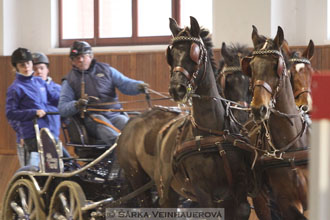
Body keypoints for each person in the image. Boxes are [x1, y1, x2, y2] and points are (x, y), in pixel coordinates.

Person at [58, 41, 149, 147]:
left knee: (132, 129)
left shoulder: (107, 70)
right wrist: (76, 104)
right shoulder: (69, 80)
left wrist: (139, 86)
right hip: (93, 118)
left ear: (91, 56)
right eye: (76, 58)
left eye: (83, 56)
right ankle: (119, 159)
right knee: (112, 135)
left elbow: (125, 84)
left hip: (115, 114)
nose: (80, 60)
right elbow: (62, 108)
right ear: (72, 61)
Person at [6, 48, 60, 166]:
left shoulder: (40, 82)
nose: (26, 68)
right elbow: (10, 113)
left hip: (47, 131)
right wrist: (34, 112)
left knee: (60, 162)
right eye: (22, 65)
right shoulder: (15, 88)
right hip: (31, 133)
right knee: (34, 166)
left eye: (28, 63)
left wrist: (71, 102)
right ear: (16, 67)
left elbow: (56, 99)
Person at [32, 52, 70, 158]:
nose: (38, 72)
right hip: (33, 137)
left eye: (41, 68)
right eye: (35, 69)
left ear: (47, 70)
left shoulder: (58, 89)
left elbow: (64, 110)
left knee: (65, 161)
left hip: (52, 134)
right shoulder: (28, 91)